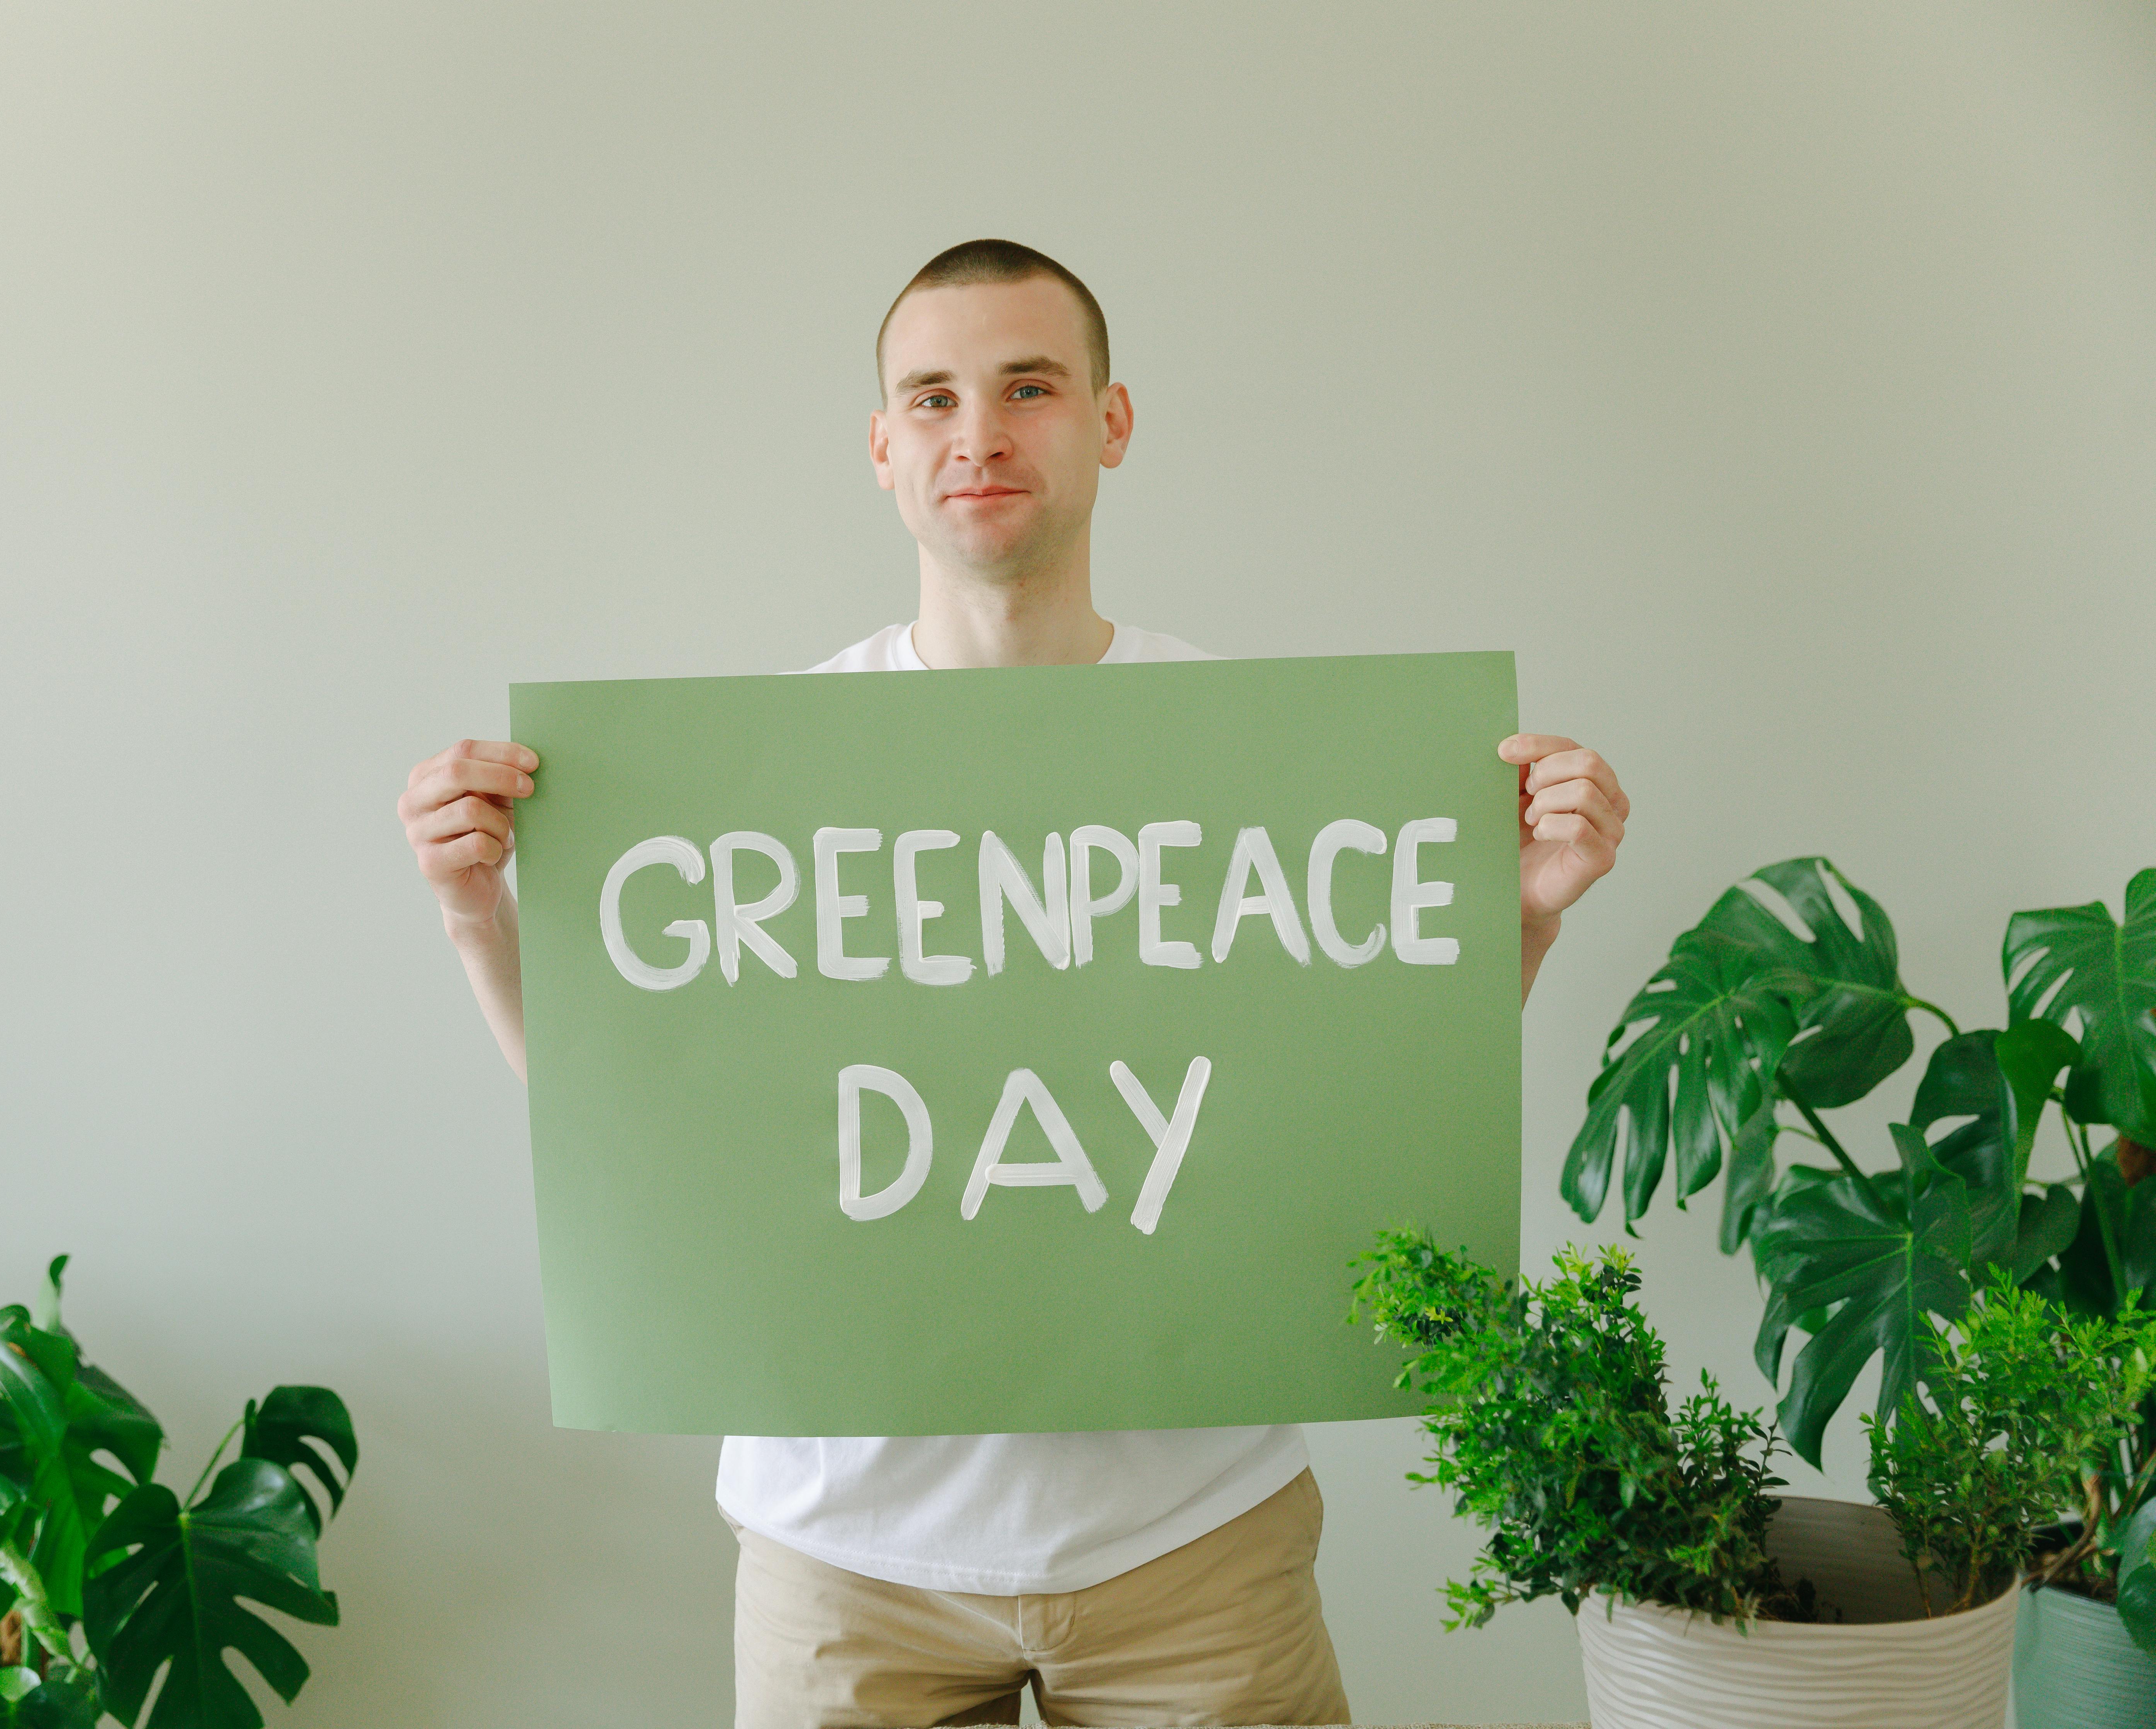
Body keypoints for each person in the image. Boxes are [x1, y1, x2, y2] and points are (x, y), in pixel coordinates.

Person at [399, 239, 1631, 1729]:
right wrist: (480, 920)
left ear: (1111, 423)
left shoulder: (1260, 754)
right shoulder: (751, 789)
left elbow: (1343, 1079)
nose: (976, 433)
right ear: (881, 447)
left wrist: (1524, 916)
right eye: (931, 397)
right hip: (844, 1556)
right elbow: (650, 1132)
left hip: (1197, 1537)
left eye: (1028, 387)